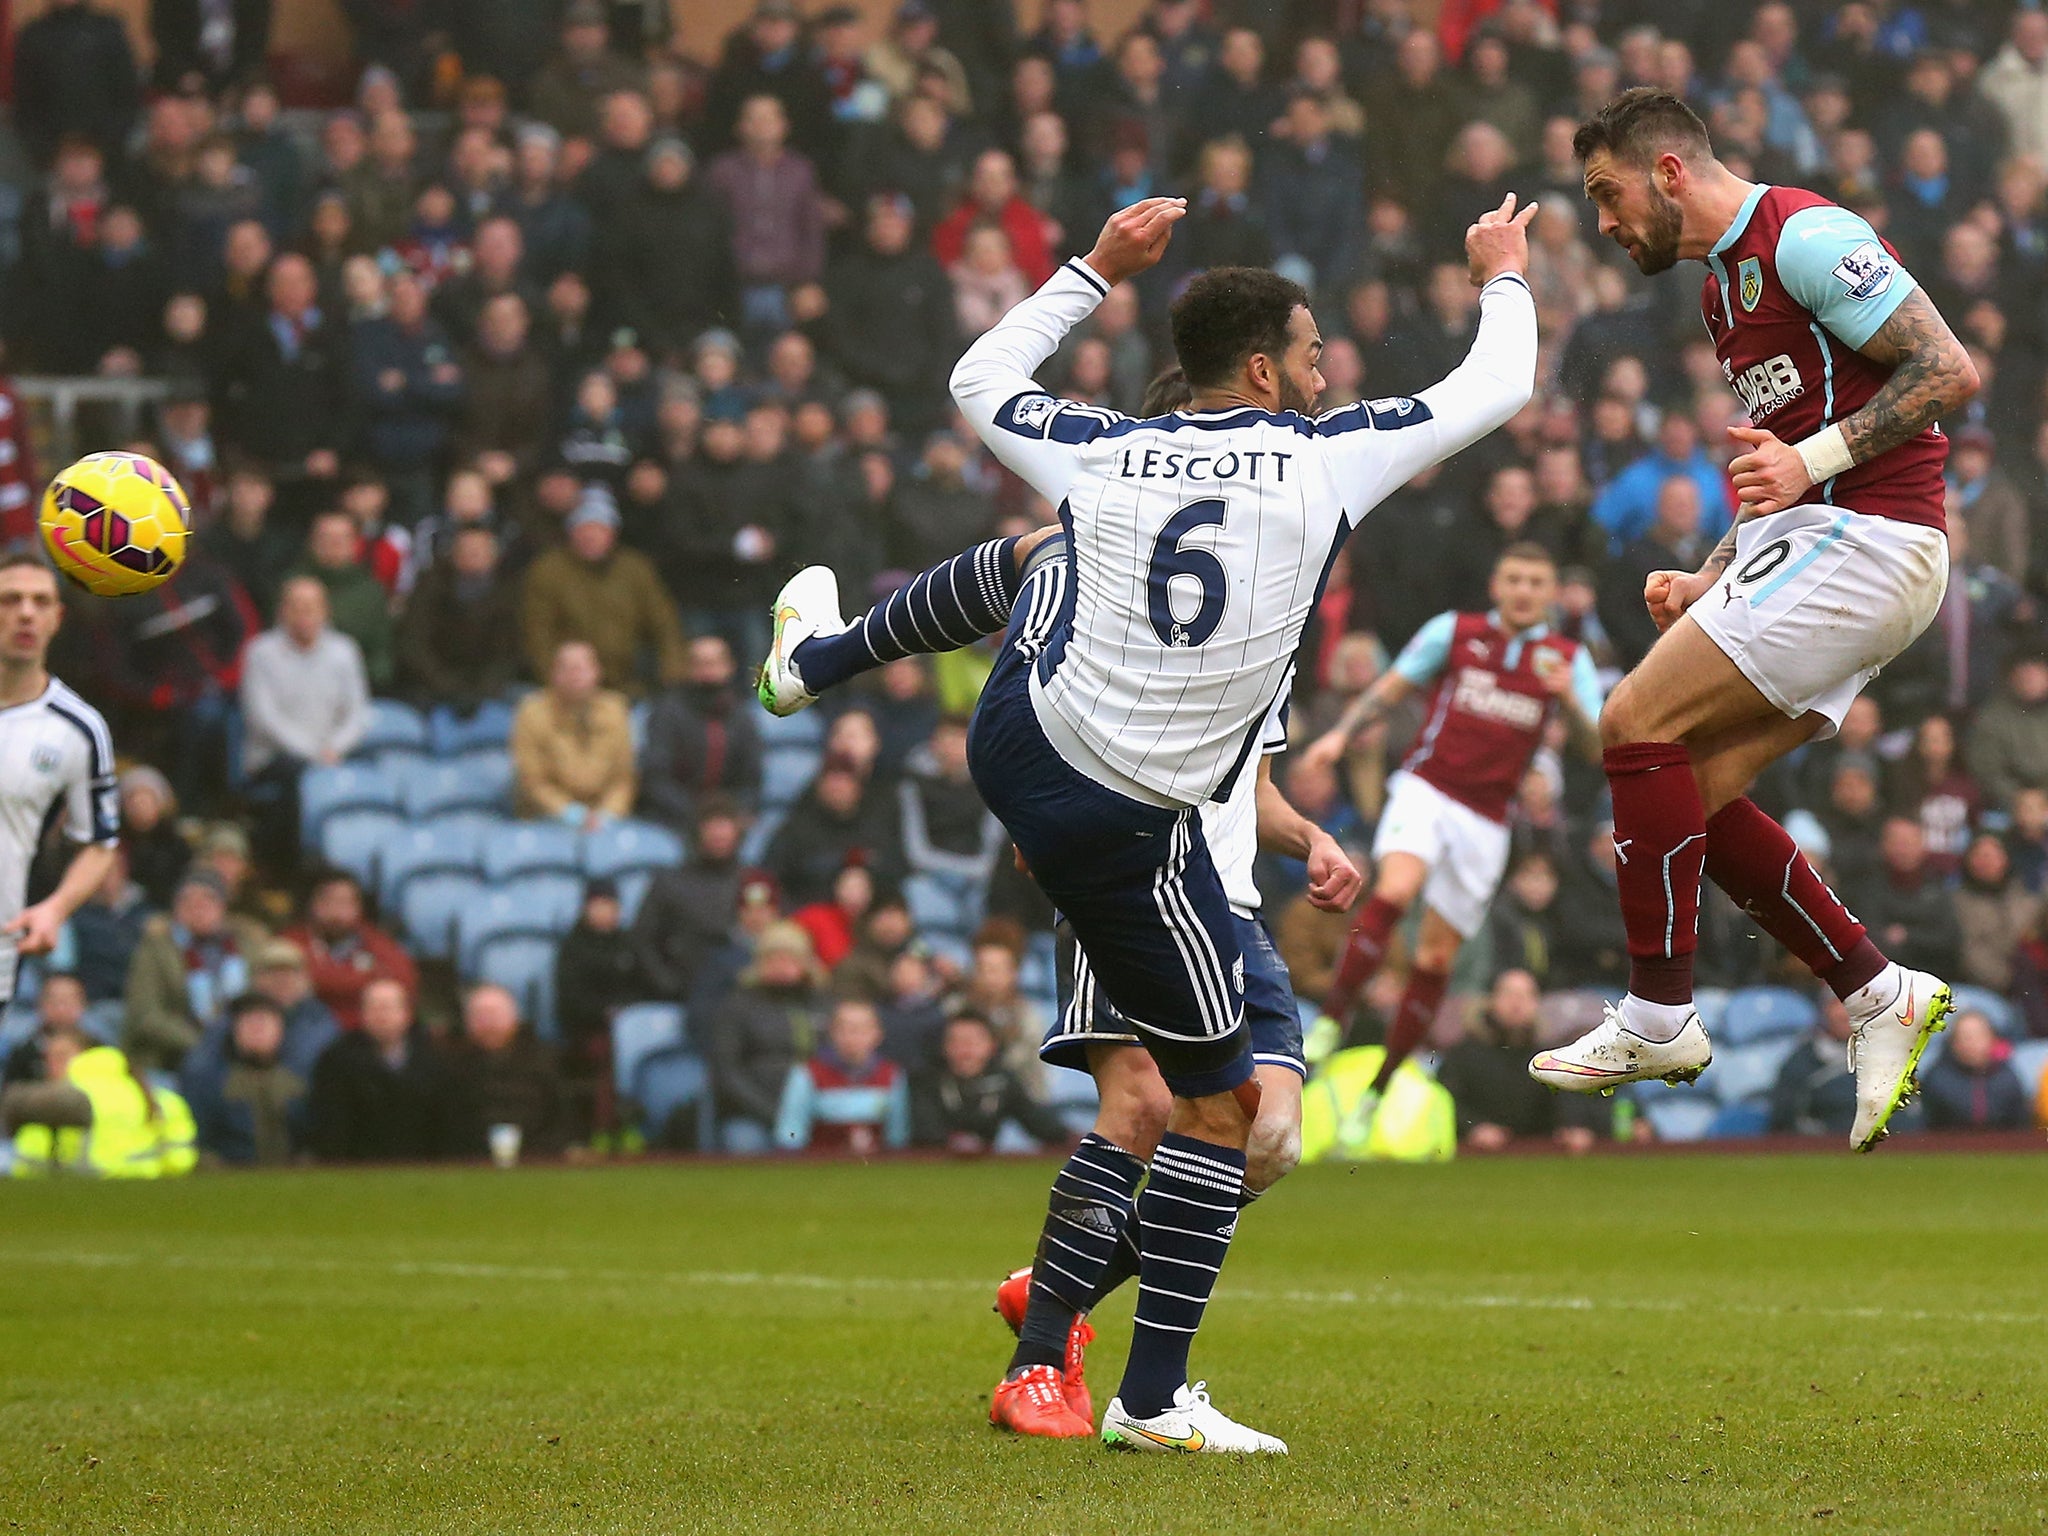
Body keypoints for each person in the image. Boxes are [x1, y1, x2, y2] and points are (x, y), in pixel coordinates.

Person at [759, 196, 1532, 1452]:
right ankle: (1141, 1392)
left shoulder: (1107, 454)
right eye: (1320, 353)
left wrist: (1092, 269)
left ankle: (813, 665)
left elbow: (978, 376)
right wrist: (1501, 271)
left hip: (1029, 742)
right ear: (1273, 368)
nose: (1332, 369)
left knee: (1041, 555)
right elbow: (1499, 380)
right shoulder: (1323, 459)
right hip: (1123, 821)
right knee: (1200, 1115)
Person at [1532, 90, 1980, 1153]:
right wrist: (1708, 571)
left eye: (1606, 194)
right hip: (1816, 547)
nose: (1601, 220)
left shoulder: (1807, 235)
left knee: (1629, 717)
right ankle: (1876, 993)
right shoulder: (1718, 295)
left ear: (1669, 172)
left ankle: (1655, 1016)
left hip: (1873, 542)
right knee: (1688, 789)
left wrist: (1809, 466)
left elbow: (1947, 370)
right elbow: (1777, 466)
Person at [1299, 543, 1605, 1117]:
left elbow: (1596, 747)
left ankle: (1381, 1087)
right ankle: (1333, 1019)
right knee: (1392, 891)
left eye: (1535, 582)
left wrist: (1565, 695)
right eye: (1513, 578)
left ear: (1549, 594)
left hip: (1488, 821)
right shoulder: (1455, 632)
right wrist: (1341, 734)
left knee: (1434, 961)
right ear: (1495, 585)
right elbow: (1392, 687)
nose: (1522, 590)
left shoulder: (1567, 658)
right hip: (1428, 788)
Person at [0, 557, 121, 1024]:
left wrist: (55, 909)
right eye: (10, 600)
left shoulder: (79, 729)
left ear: (56, 619)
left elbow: (101, 844)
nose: (25, 613)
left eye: (40, 602)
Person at [240, 575, 372, 873]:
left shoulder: (344, 651)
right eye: (296, 606)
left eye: (311, 606)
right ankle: (289, 869)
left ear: (325, 610)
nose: (304, 613)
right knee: (297, 778)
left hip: (333, 754)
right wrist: (313, 753)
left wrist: (334, 748)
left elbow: (358, 713)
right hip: (274, 758)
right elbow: (263, 718)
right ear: (282, 610)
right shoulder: (260, 652)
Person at [1436, 970, 1614, 1154]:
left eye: (1526, 995)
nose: (1517, 1003)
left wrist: (1572, 1127)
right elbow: (1447, 1101)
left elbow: (1564, 1103)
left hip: (1536, 1157)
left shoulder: (1549, 1057)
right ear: (1491, 1000)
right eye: (1508, 994)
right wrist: (1474, 1128)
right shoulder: (1464, 1054)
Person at [121, 868, 268, 1075]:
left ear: (223, 906)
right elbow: (146, 1015)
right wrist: (204, 1044)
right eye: (187, 901)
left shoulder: (247, 946)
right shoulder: (155, 949)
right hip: (171, 1059)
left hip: (242, 1054)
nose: (197, 908)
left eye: (208, 900)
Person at [5, 1027, 195, 1178]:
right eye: (48, 1059)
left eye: (62, 1056)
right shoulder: (165, 1100)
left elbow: (28, 1167)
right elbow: (180, 1162)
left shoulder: (53, 1105)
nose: (52, 1066)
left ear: (87, 1055)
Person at [706, 919, 825, 1154]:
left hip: (816, 1114)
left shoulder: (824, 1004)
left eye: (790, 958)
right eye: (773, 958)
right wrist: (773, 1113)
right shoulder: (737, 1006)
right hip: (755, 1116)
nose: (781, 965)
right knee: (745, 1145)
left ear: (805, 964)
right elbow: (727, 1071)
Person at [307, 977, 451, 1161]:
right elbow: (331, 1127)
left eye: (388, 1007)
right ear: (362, 1013)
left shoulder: (435, 1060)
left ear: (407, 1013)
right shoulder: (337, 1061)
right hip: (358, 1171)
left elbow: (445, 1125)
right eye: (374, 1007)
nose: (381, 1015)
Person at [637, 635, 762, 830]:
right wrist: (698, 816)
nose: (707, 671)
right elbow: (655, 778)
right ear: (687, 667)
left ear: (729, 666)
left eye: (713, 663)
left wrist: (731, 814)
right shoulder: (667, 713)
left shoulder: (741, 716)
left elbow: (751, 778)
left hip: (726, 820)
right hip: (673, 817)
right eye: (699, 663)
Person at [511, 640, 636, 830]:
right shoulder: (531, 711)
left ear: (597, 672)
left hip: (605, 819)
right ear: (553, 674)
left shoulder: (616, 709)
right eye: (567, 668)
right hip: (546, 818)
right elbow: (532, 781)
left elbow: (623, 779)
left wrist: (608, 814)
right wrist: (572, 814)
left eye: (582, 668)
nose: (575, 675)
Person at [180, 992, 312, 1166]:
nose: (257, 1029)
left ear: (281, 1030)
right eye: (249, 1022)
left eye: (264, 1021)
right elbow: (200, 1142)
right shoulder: (210, 1083)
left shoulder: (300, 1084)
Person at [913, 1012, 1072, 1152]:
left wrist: (1075, 1140)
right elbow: (926, 1132)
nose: (966, 1049)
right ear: (944, 1047)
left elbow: (1041, 1124)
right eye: (957, 1041)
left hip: (985, 1169)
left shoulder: (1003, 1081)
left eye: (974, 1042)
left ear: (991, 1046)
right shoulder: (926, 1081)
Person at [282, 871, 418, 1033]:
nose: (336, 911)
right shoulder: (290, 941)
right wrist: (364, 979)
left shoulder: (378, 943)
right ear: (313, 905)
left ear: (359, 907)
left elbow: (403, 982)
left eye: (345, 902)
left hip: (364, 1038)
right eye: (328, 901)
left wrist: (317, 982)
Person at [443, 983, 568, 1159]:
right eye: (480, 1015)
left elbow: (559, 1120)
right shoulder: (450, 1066)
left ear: (514, 1016)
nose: (488, 1023)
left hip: (536, 1163)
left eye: (494, 1014)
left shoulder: (544, 1062)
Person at [772, 996, 910, 1153]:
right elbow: (790, 1133)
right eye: (844, 1028)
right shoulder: (807, 1073)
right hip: (819, 1167)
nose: (852, 1036)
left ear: (877, 1034)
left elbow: (897, 1136)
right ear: (832, 1032)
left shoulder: (892, 1074)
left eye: (861, 1029)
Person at [1767, 993, 1858, 1138]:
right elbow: (1785, 1120)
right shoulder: (1800, 1063)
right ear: (1824, 1011)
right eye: (1839, 1004)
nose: (1846, 1014)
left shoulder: (1890, 1056)